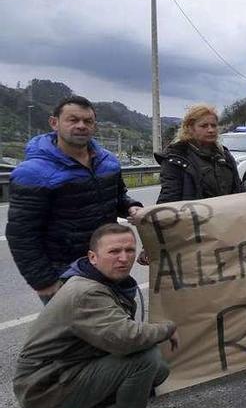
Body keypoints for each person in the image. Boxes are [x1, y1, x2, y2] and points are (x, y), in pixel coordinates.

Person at [14, 223, 179, 408]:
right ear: (93, 257)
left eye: (129, 250)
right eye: (114, 251)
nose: (124, 258)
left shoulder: (99, 280)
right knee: (146, 360)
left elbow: (116, 334)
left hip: (58, 374)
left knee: (157, 368)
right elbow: (128, 339)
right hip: (43, 390)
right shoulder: (86, 293)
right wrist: (168, 328)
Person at [6, 95, 143, 304]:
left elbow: (117, 196)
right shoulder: (33, 173)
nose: (81, 126)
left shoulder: (108, 162)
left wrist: (131, 207)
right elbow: (22, 234)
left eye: (87, 121)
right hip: (65, 271)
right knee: (74, 335)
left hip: (106, 262)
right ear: (54, 123)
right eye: (73, 120)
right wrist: (43, 281)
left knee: (116, 329)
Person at [154, 103, 245, 204]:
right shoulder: (176, 158)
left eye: (213, 125)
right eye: (204, 126)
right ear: (190, 128)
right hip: (194, 218)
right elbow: (169, 200)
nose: (210, 130)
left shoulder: (224, 155)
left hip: (225, 217)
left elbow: (238, 189)